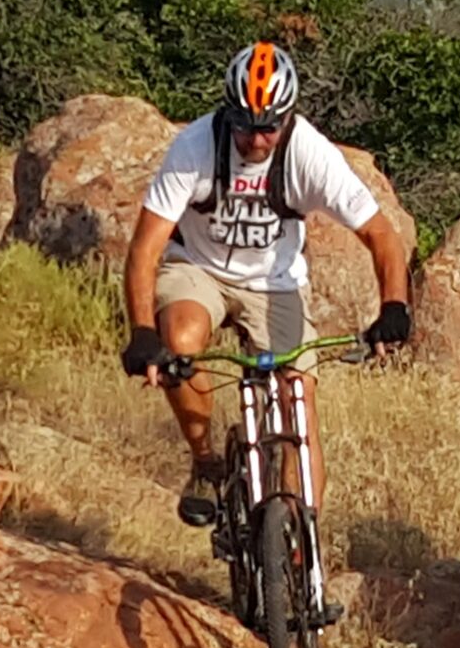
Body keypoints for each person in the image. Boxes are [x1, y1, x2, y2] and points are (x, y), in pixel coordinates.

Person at [119, 41, 412, 527]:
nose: (257, 141)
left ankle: (304, 543)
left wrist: (394, 306)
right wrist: (142, 332)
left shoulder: (308, 153)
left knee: (297, 396)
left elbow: (380, 234)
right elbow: (146, 246)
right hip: (199, 266)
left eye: (270, 127)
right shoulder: (194, 148)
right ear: (228, 114)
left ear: (288, 117)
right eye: (247, 127)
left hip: (274, 282)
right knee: (182, 343)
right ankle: (206, 462)